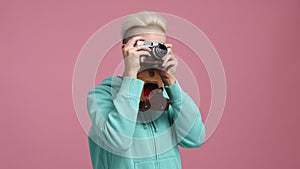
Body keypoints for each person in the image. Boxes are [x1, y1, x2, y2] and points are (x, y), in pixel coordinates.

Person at [87, 11, 206, 169]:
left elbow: (195, 138)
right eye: (144, 46)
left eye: (158, 48)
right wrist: (131, 74)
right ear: (126, 49)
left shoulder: (164, 95)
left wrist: (172, 83)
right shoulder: (101, 96)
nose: (151, 53)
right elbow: (118, 141)